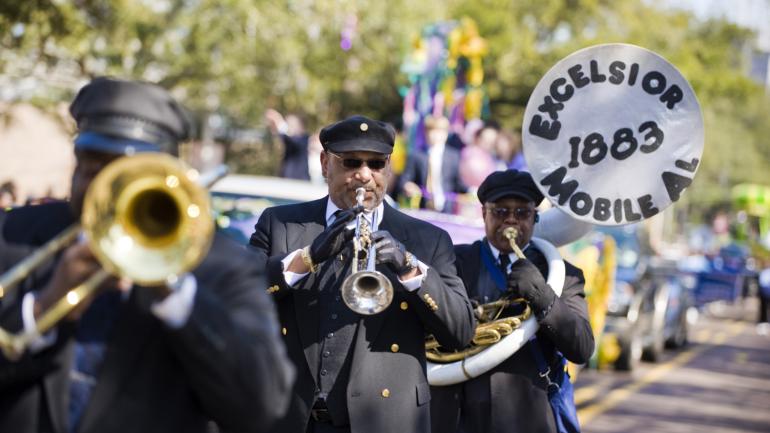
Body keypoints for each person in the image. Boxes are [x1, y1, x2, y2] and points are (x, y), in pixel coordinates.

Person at [0, 77, 294, 433]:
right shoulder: (11, 235)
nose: (105, 193)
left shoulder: (224, 267)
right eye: (94, 171)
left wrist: (175, 297)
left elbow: (262, 408)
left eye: (128, 177)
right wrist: (42, 307)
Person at [249, 114, 475, 433]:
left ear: (389, 167)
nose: (364, 176)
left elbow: (460, 333)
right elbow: (241, 301)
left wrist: (409, 267)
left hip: (385, 421)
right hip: (293, 419)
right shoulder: (280, 224)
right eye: (351, 162)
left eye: (377, 164)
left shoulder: (427, 239)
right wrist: (308, 257)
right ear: (326, 163)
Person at [430, 169, 595, 433]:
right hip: (462, 417)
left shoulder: (562, 273)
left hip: (529, 417)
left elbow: (582, 348)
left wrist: (543, 296)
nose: (511, 221)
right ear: (484, 213)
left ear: (535, 216)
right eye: (500, 212)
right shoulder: (453, 262)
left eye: (522, 213)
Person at [398, 115, 467, 213]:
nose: (436, 135)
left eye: (440, 131)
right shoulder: (416, 155)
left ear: (446, 134)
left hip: (447, 208)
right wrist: (407, 185)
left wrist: (471, 191)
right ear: (426, 133)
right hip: (421, 208)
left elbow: (459, 183)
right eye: (432, 131)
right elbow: (404, 180)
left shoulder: (454, 156)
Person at [265, 108, 312, 181]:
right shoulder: (289, 141)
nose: (289, 127)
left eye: (291, 124)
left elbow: (292, 141)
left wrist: (279, 122)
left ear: (301, 126)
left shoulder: (304, 139)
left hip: (299, 183)